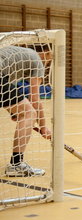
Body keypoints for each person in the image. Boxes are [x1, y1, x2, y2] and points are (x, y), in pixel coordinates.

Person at [0, 44, 52, 176]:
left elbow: (6, 92)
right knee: (30, 113)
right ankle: (16, 165)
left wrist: (14, 112)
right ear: (46, 53)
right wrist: (43, 126)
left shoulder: (17, 55)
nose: (49, 61)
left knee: (24, 111)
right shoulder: (37, 61)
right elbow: (34, 98)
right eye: (50, 57)